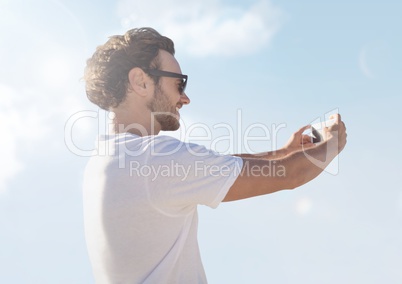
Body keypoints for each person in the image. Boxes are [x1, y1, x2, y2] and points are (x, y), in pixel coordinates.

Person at [82, 27, 347, 284]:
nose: (185, 98)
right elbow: (290, 174)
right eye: (179, 83)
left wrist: (284, 152)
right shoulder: (154, 158)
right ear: (141, 81)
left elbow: (218, 166)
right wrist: (332, 144)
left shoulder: (109, 162)